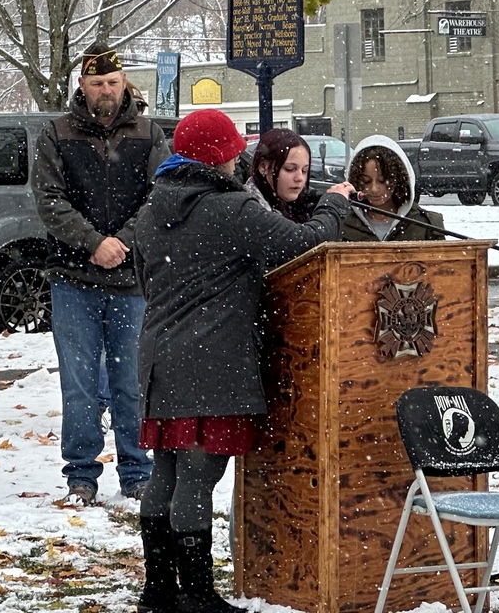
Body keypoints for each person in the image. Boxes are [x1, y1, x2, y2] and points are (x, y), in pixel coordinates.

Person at [133, 109, 353, 613]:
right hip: (213, 360)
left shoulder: (150, 211)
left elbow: (148, 283)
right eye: (233, 149)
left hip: (159, 358)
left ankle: (159, 591)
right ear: (217, 156)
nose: (240, 157)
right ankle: (198, 596)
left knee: (165, 474)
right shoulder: (229, 209)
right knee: (198, 477)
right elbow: (302, 243)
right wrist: (334, 207)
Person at [33, 42, 170, 505]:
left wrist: (122, 242)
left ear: (125, 82)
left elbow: (160, 199)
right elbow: (50, 201)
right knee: (78, 384)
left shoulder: (150, 136)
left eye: (112, 82)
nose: (106, 91)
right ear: (82, 86)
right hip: (73, 280)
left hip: (132, 282)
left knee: (132, 381)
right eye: (97, 83)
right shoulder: (57, 134)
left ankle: (137, 471)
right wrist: (93, 243)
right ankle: (81, 475)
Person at [342, 134, 446, 241]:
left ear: (398, 179)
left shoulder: (426, 225)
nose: (374, 188)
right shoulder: (340, 224)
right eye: (366, 181)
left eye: (382, 180)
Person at [246, 128, 320, 222]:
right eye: (290, 169)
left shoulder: (300, 204)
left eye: (305, 170)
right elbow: (304, 235)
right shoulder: (252, 210)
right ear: (263, 167)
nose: (300, 178)